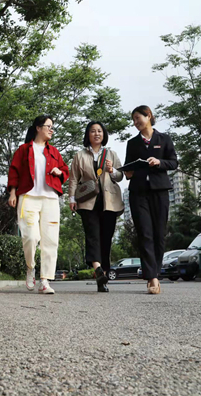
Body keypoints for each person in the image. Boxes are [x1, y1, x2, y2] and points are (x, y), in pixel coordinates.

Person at [8, 115, 70, 294]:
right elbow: (14, 171)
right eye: (48, 126)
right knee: (30, 236)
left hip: (50, 198)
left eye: (52, 127)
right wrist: (12, 192)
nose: (51, 130)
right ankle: (30, 267)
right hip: (28, 197)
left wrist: (59, 172)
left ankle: (45, 281)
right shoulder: (23, 150)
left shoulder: (54, 152)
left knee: (50, 240)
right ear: (38, 127)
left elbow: (65, 170)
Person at [124, 105, 178, 294]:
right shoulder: (132, 143)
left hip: (160, 191)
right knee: (145, 233)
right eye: (133, 120)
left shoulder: (164, 139)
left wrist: (159, 162)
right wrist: (126, 172)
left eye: (138, 118)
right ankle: (151, 277)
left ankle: (155, 272)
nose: (135, 122)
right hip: (138, 193)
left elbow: (174, 162)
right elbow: (128, 169)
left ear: (149, 116)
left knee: (159, 234)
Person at [67, 122, 124, 292]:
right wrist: (72, 198)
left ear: (103, 134)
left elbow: (120, 176)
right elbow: (73, 178)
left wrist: (112, 170)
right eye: (93, 131)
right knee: (92, 236)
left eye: (99, 131)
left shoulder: (111, 154)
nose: (96, 134)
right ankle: (98, 268)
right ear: (88, 135)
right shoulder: (80, 155)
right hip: (87, 201)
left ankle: (102, 278)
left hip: (109, 201)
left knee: (106, 238)